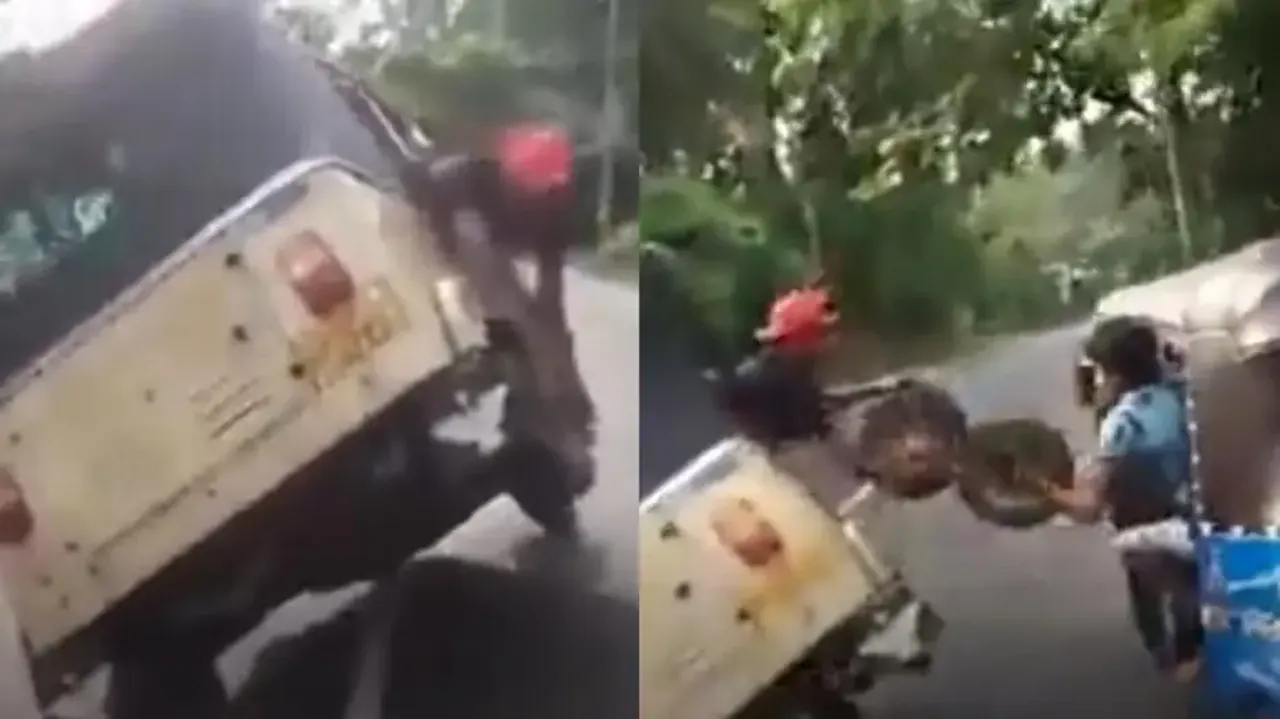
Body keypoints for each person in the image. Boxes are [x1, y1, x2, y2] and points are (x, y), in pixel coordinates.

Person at [1040, 316, 1202, 681]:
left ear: (1109, 371)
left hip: (1141, 519)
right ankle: (1189, 653)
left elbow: (1089, 507)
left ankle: (1166, 656)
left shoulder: (1123, 420)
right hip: (1191, 508)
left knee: (1147, 586)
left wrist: (1044, 490)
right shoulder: (1183, 392)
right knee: (1188, 583)